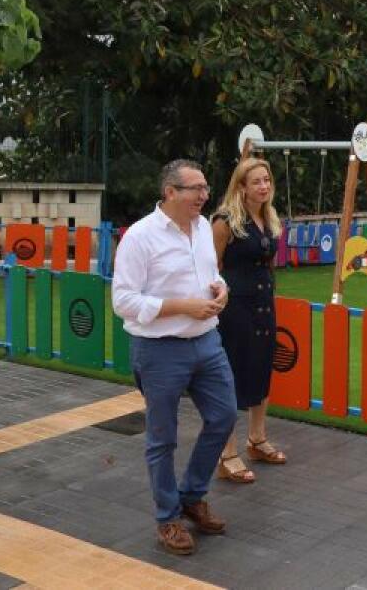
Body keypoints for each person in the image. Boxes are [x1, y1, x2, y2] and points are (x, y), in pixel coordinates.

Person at [112, 159, 237, 555]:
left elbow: (209, 274)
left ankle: (192, 496)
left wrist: (221, 289)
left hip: (207, 342)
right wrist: (182, 306)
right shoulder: (140, 237)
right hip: (159, 349)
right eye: (194, 189)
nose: (203, 195)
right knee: (161, 438)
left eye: (204, 188)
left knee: (223, 417)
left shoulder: (202, 229)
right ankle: (168, 518)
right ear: (170, 192)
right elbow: (123, 301)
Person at [210, 158, 286, 484]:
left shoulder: (267, 218)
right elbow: (210, 268)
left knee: (261, 367)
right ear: (241, 186)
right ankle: (226, 453)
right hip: (235, 307)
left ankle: (256, 439)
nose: (264, 186)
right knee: (233, 375)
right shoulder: (224, 221)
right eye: (256, 181)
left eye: (266, 180)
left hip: (263, 304)